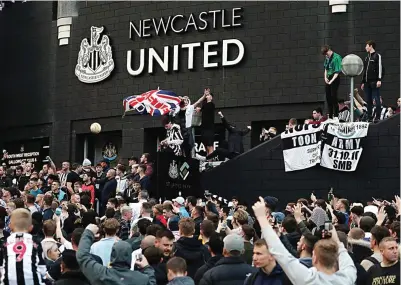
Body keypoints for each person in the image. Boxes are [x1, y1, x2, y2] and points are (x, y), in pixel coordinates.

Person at [252, 196, 357, 285]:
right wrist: (337, 241)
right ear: (337, 260)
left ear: (314, 258)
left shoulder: (308, 279)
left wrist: (261, 218)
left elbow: (283, 255)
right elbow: (342, 252)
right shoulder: (348, 276)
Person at [77, 224, 157, 285]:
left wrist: (88, 233)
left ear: (112, 255)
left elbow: (82, 256)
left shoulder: (102, 274)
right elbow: (151, 282)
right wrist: (147, 267)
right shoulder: (141, 279)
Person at [0, 208, 47, 284]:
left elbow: (1, 268)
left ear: (10, 226)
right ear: (31, 227)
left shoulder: (5, 242)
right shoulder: (36, 242)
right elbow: (42, 268)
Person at [361, 40, 384, 122]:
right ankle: (369, 117)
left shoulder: (377, 56)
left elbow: (380, 68)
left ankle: (378, 117)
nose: (365, 47)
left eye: (366, 46)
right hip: (367, 82)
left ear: (371, 46)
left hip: (374, 81)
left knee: (376, 99)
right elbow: (365, 71)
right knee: (368, 100)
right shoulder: (367, 58)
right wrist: (363, 82)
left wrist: (379, 80)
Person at [321, 45, 342, 118]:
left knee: (333, 96)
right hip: (329, 77)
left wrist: (331, 81)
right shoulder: (327, 57)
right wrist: (325, 78)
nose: (326, 55)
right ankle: (330, 115)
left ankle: (336, 115)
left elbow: (337, 71)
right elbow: (326, 69)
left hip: (335, 77)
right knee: (328, 97)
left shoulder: (337, 57)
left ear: (329, 50)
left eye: (327, 53)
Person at [196, 88, 215, 156]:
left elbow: (208, 106)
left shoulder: (211, 104)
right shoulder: (204, 107)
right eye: (206, 96)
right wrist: (199, 109)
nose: (207, 96)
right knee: (206, 146)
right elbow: (202, 107)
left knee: (210, 146)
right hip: (204, 128)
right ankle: (208, 158)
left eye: (209, 95)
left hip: (209, 128)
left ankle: (211, 161)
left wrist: (208, 96)